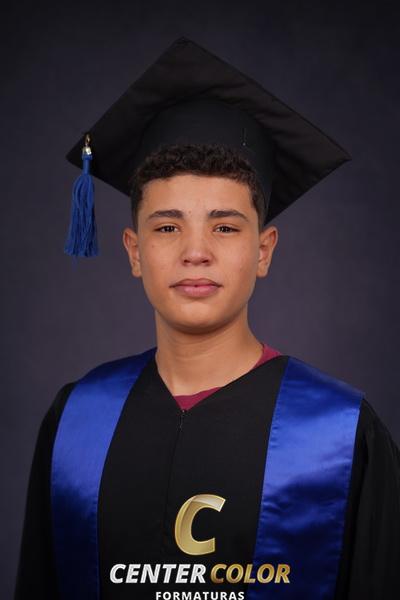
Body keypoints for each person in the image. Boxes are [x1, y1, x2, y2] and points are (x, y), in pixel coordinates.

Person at [14, 37, 400, 600]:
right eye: (168, 227)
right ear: (134, 251)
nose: (196, 252)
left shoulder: (339, 436)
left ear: (264, 250)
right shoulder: (76, 421)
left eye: (225, 227)